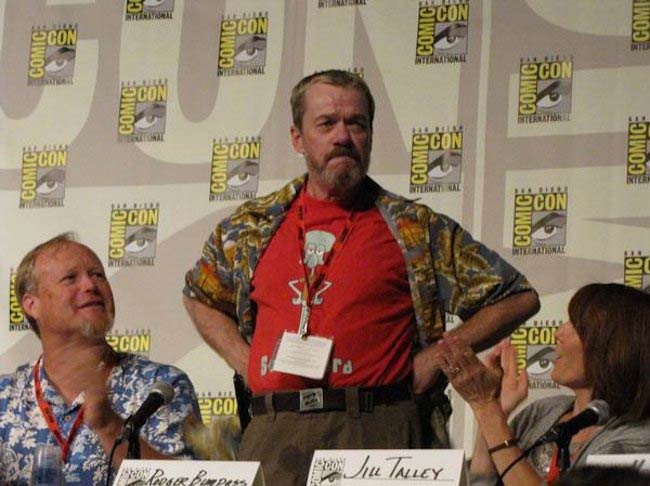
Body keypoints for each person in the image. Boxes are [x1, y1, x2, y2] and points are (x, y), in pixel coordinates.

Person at [183, 69, 540, 485]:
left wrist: (438, 357)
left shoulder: (414, 227)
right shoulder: (251, 226)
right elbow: (200, 294)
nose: (343, 136)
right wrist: (242, 361)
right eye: (327, 123)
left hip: (378, 429)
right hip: (275, 432)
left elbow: (517, 295)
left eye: (356, 123)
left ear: (370, 134)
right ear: (297, 138)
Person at [0, 233, 200, 485]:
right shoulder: (5, 398)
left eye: (98, 275)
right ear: (31, 304)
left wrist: (109, 426)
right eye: (70, 278)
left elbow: (189, 482)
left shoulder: (161, 387)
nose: (90, 285)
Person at [435, 283, 650, 486]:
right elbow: (483, 481)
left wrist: (487, 409)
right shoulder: (542, 412)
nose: (558, 332)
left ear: (613, 348)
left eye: (575, 326)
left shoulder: (635, 438)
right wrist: (495, 410)